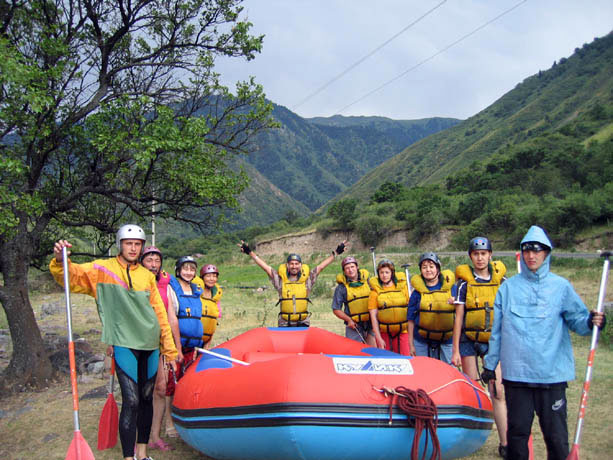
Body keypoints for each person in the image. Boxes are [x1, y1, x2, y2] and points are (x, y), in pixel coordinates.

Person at [50, 225, 178, 460]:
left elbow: (159, 314)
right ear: (120, 244)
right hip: (123, 342)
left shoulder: (147, 276)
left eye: (137, 244)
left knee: (147, 399)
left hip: (149, 345)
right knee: (131, 400)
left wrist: (169, 349)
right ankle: (128, 457)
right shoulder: (102, 269)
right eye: (128, 243)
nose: (133, 248)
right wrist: (60, 261)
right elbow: (72, 275)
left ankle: (142, 452)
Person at [483, 225, 606, 460]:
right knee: (517, 436)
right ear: (522, 253)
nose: (531, 256)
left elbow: (578, 321)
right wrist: (490, 365)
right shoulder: (507, 289)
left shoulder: (561, 287)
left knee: (557, 438)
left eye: (537, 251)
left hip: (552, 376)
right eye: (527, 251)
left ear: (546, 253)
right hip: (517, 377)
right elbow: (497, 332)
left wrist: (591, 322)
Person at [451, 237, 508, 458]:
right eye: (476, 254)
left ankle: (505, 442)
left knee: (498, 391)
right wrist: (455, 349)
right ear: (470, 257)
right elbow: (458, 317)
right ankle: (474, 437)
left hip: (492, 341)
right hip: (468, 341)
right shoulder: (463, 284)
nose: (480, 257)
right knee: (473, 388)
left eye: (484, 253)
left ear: (491, 255)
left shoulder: (502, 281)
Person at [238, 240, 347, 327]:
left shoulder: (307, 280)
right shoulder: (280, 281)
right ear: (287, 265)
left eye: (296, 264)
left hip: (303, 322)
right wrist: (250, 252)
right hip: (284, 322)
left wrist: (336, 253)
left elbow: (321, 267)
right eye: (291, 264)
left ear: (301, 265)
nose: (294, 266)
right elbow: (265, 267)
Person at [140, 246, 182, 450]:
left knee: (160, 388)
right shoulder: (133, 281)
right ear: (142, 262)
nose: (154, 264)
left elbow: (171, 317)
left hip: (160, 342)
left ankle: (154, 436)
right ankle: (137, 436)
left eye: (157, 260)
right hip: (137, 341)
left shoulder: (165, 284)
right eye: (149, 260)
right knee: (139, 390)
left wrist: (176, 347)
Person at [168, 256, 220, 377]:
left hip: (192, 347)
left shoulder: (196, 291)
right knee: (171, 385)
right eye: (185, 269)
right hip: (176, 346)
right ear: (178, 270)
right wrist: (177, 348)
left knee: (187, 381)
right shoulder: (172, 289)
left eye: (192, 270)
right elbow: (172, 319)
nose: (188, 272)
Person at [407, 252, 457, 364]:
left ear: (438, 269)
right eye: (424, 267)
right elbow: (410, 320)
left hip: (447, 340)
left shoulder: (452, 289)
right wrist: (411, 345)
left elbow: (461, 315)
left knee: (448, 373)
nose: (428, 270)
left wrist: (456, 303)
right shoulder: (417, 293)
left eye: (431, 266)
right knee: (424, 374)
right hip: (421, 340)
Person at [368, 259, 410, 354]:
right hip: (384, 333)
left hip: (402, 332)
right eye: (381, 272)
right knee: (386, 360)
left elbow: (410, 311)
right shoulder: (375, 293)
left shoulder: (403, 289)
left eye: (387, 272)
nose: (384, 275)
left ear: (392, 273)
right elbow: (373, 317)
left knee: (405, 360)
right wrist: (378, 338)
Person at [331, 256, 375, 345]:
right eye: (347, 268)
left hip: (371, 322)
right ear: (344, 271)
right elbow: (336, 309)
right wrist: (349, 320)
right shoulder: (341, 288)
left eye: (352, 267)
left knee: (374, 351)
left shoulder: (369, 282)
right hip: (354, 325)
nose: (350, 270)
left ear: (357, 267)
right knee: (355, 353)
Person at [193, 263, 223, 345]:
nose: (212, 279)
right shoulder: (195, 293)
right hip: (192, 338)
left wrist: (208, 342)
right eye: (208, 276)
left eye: (214, 276)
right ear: (202, 278)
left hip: (206, 338)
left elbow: (214, 320)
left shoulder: (216, 296)